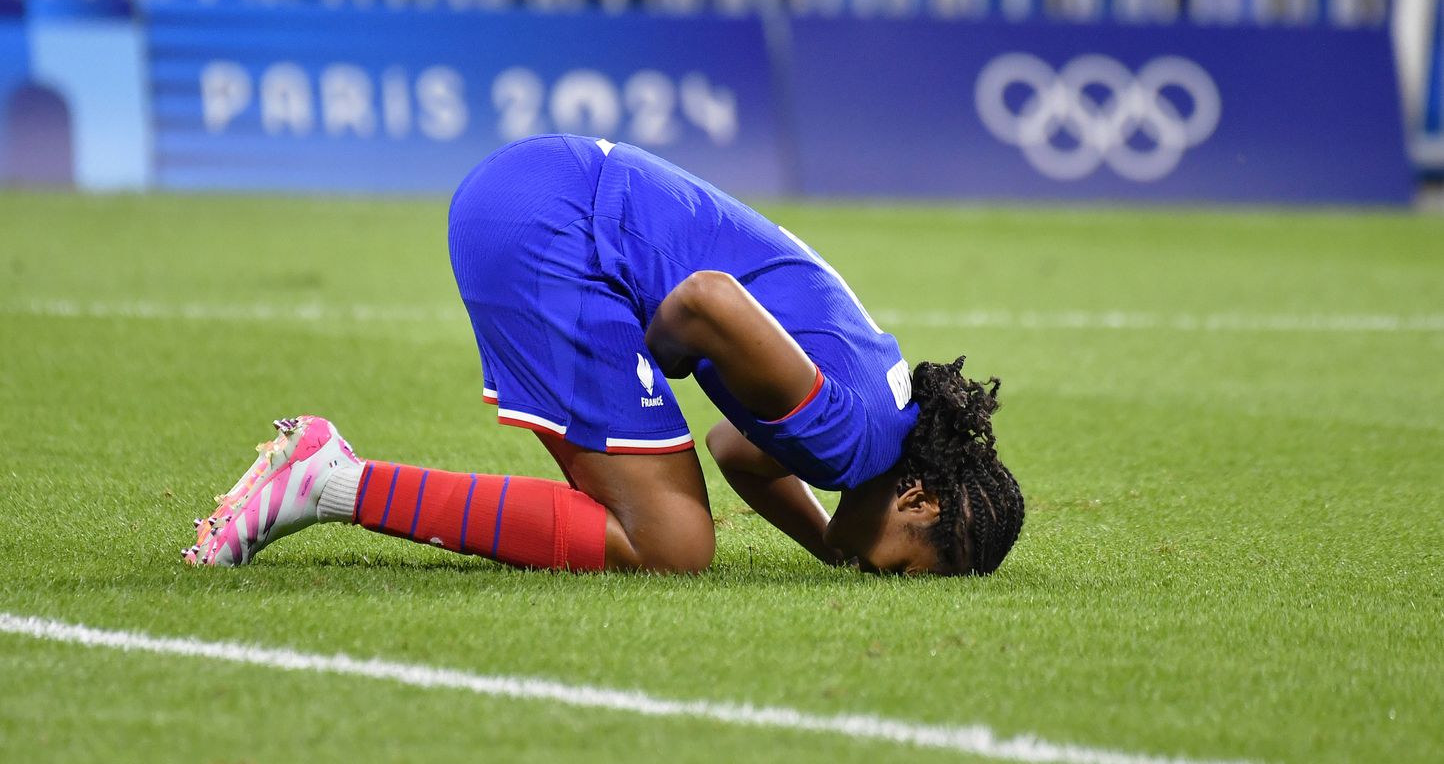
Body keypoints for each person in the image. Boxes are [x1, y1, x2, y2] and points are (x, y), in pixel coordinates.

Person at [186, 135, 1023, 576]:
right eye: (918, 570)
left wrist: (829, 546)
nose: (896, 583)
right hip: (554, 227)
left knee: (671, 531)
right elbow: (706, 303)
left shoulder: (882, 417)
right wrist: (655, 359)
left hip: (546, 187)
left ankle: (327, 477)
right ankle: (328, 480)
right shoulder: (853, 443)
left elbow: (739, 450)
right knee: (672, 544)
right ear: (919, 502)